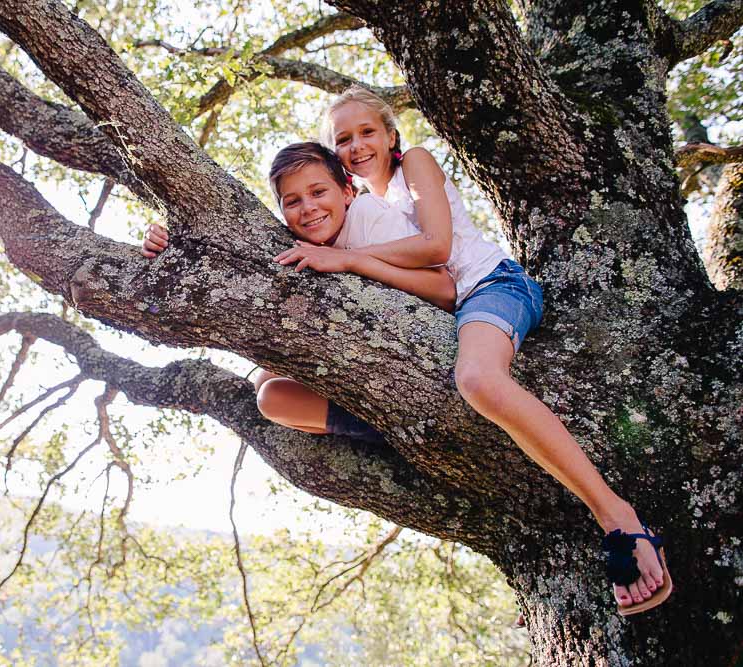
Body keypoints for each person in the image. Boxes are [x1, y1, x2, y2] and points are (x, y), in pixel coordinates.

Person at [296, 85, 670, 615]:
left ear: (390, 134)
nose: (356, 146)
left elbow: (439, 250)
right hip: (454, 310)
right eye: (343, 140)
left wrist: (350, 261)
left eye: (366, 132)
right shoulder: (363, 209)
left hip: (492, 286)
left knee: (477, 380)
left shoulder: (416, 164)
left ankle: (618, 517)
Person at [141, 142, 455, 441]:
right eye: (292, 201)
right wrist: (170, 246)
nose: (309, 208)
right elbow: (226, 257)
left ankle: (391, 432)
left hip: (419, 358)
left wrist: (352, 261)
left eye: (318, 192)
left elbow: (445, 289)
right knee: (266, 386)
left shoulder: (365, 213)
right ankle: (371, 431)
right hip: (368, 368)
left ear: (347, 191)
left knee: (272, 396)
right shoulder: (304, 248)